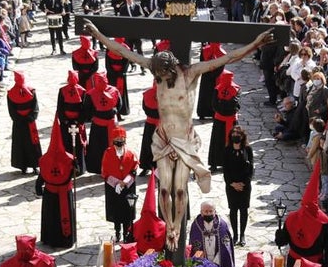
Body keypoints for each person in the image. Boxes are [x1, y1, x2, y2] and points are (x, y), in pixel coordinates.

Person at [82, 19, 274, 249]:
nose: (161, 77)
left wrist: (256, 43)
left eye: (164, 73)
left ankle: (176, 226)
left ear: (173, 67)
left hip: (183, 136)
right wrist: (97, 33)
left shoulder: (192, 73)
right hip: (163, 135)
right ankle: (171, 228)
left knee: (180, 189)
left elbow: (228, 58)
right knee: (164, 189)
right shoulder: (157, 69)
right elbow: (122, 51)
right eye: (158, 74)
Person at [36, 126, 77, 249]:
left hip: (50, 194)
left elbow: (41, 177)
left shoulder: (45, 159)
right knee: (64, 218)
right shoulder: (69, 159)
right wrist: (76, 164)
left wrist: (38, 189)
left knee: (51, 218)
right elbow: (75, 172)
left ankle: (50, 239)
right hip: (64, 193)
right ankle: (67, 239)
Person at [101, 126, 137, 243]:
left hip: (127, 187)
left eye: (121, 141)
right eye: (117, 141)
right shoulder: (107, 153)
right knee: (116, 211)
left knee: (127, 211)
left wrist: (124, 182)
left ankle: (127, 232)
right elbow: (105, 172)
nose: (119, 145)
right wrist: (116, 183)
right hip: (113, 188)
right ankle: (117, 232)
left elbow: (134, 170)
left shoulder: (131, 154)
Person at [221, 124, 254, 247]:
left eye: (238, 134)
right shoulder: (227, 150)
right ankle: (235, 235)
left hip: (244, 185)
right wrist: (233, 184)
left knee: (244, 210)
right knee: (233, 210)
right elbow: (226, 170)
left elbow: (251, 169)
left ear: (242, 136)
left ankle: (242, 235)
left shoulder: (248, 150)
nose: (236, 136)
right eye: (234, 133)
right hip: (231, 185)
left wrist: (243, 183)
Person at [7, 72, 42, 174]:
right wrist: (30, 117)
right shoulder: (31, 91)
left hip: (19, 123)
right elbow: (35, 107)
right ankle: (35, 165)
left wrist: (18, 119)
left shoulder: (10, 93)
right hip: (29, 122)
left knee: (20, 143)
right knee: (32, 143)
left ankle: (23, 166)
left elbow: (11, 110)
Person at [188, 201, 235, 267]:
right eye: (206, 211)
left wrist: (216, 262)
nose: (208, 213)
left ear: (215, 211)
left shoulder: (222, 225)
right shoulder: (196, 226)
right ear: (201, 212)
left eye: (211, 211)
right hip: (203, 261)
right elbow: (194, 246)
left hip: (218, 261)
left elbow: (225, 246)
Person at [208, 69, 240, 171]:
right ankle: (230, 163)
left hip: (220, 120)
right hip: (231, 120)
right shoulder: (236, 89)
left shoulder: (217, 89)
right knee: (231, 141)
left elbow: (214, 105)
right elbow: (237, 106)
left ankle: (214, 164)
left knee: (217, 142)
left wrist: (222, 108)